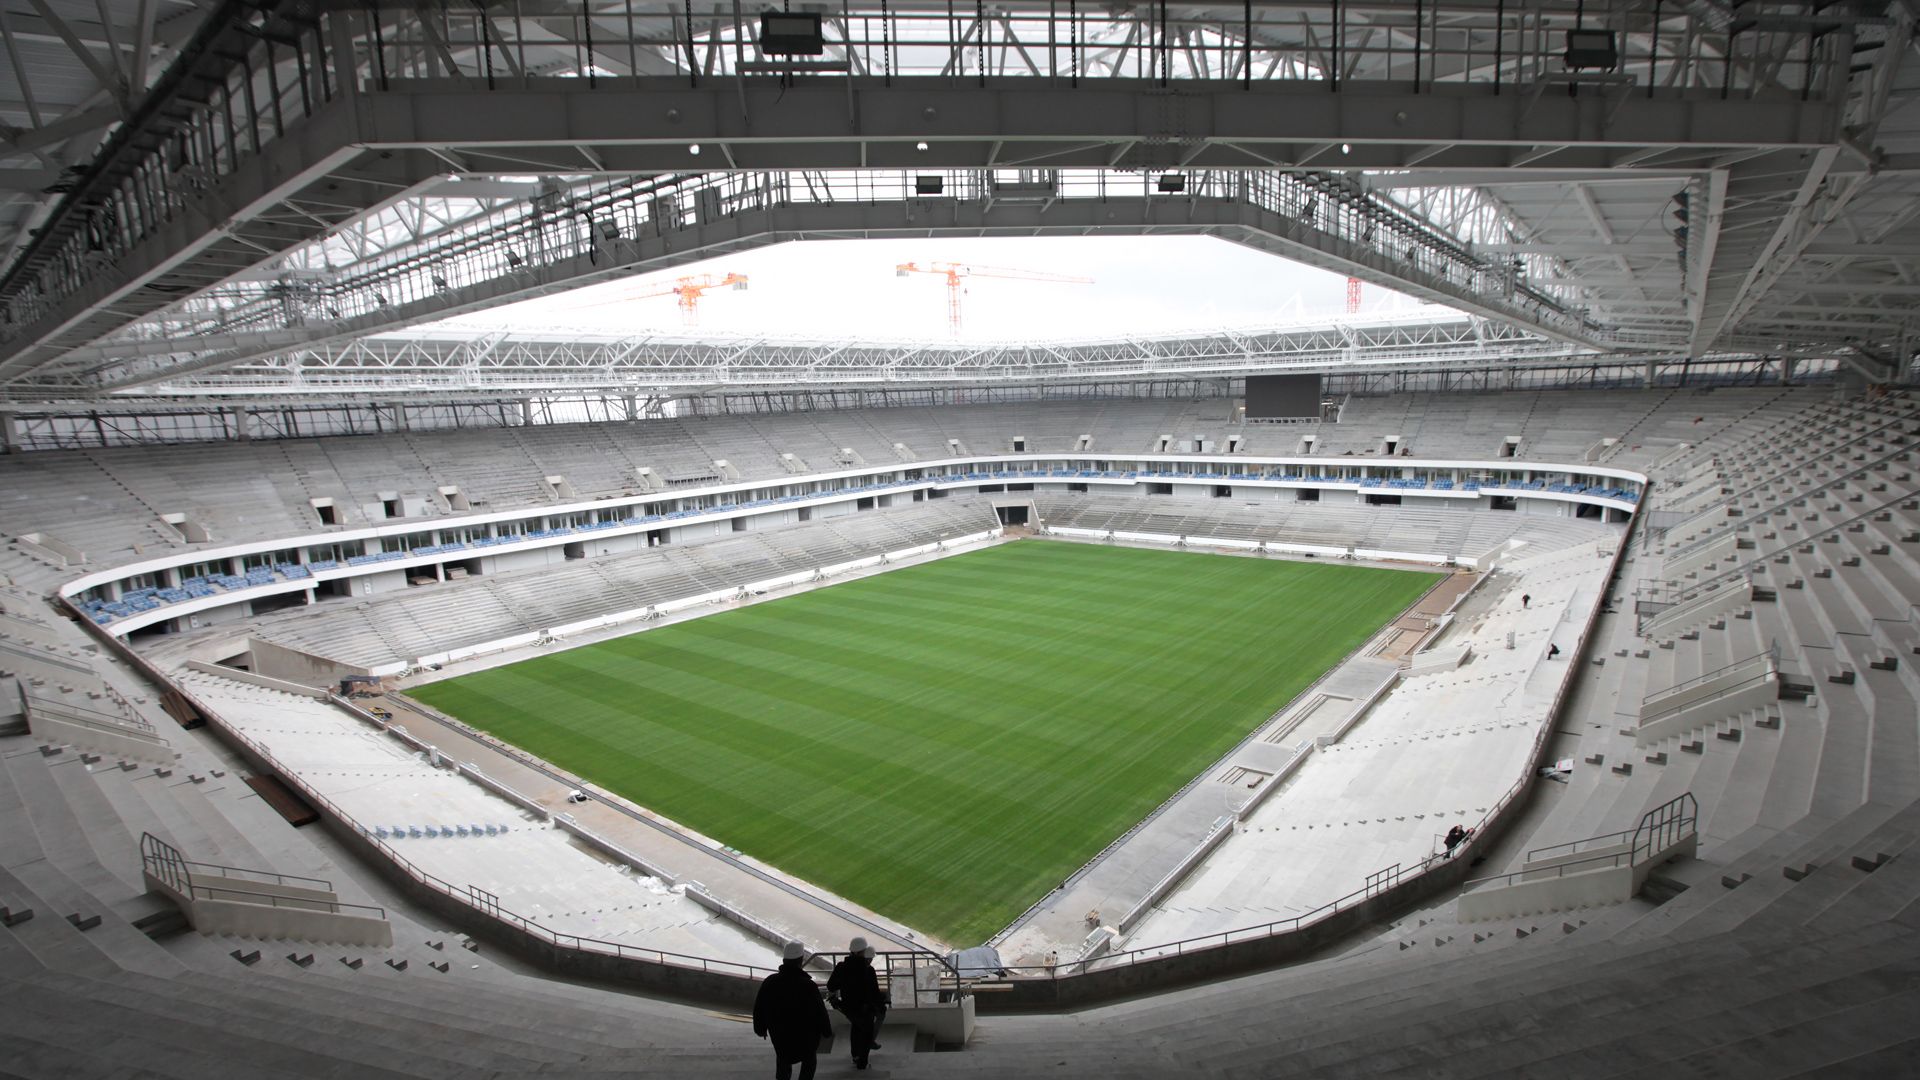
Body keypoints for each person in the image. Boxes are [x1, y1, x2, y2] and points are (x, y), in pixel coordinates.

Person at [754, 941, 832, 1080]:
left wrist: (760, 1029)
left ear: (784, 960)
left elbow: (760, 1008)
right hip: (806, 1038)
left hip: (780, 1036)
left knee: (783, 1060)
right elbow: (820, 1012)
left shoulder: (770, 982)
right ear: (801, 961)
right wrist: (827, 1032)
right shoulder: (808, 985)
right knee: (809, 1062)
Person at [827, 937, 886, 1070]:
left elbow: (831, 985)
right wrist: (881, 1007)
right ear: (863, 952)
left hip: (848, 1008)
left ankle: (856, 1056)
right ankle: (862, 1062)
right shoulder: (868, 970)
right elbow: (874, 993)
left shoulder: (842, 967)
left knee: (856, 1028)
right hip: (865, 1009)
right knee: (866, 1034)